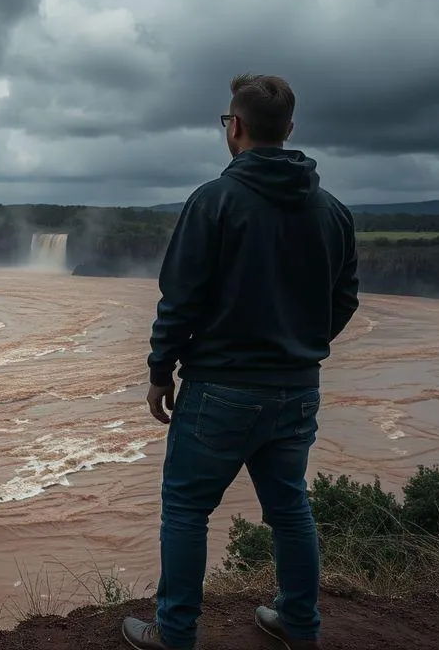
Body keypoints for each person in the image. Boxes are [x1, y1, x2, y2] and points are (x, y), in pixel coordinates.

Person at [121, 74, 359, 650]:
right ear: (290, 130)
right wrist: (301, 345)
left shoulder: (213, 200)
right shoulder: (332, 211)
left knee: (185, 510)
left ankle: (175, 635)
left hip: (221, 388)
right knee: (290, 508)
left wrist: (160, 371)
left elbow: (180, 297)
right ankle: (299, 624)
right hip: (297, 390)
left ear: (236, 127)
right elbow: (345, 298)